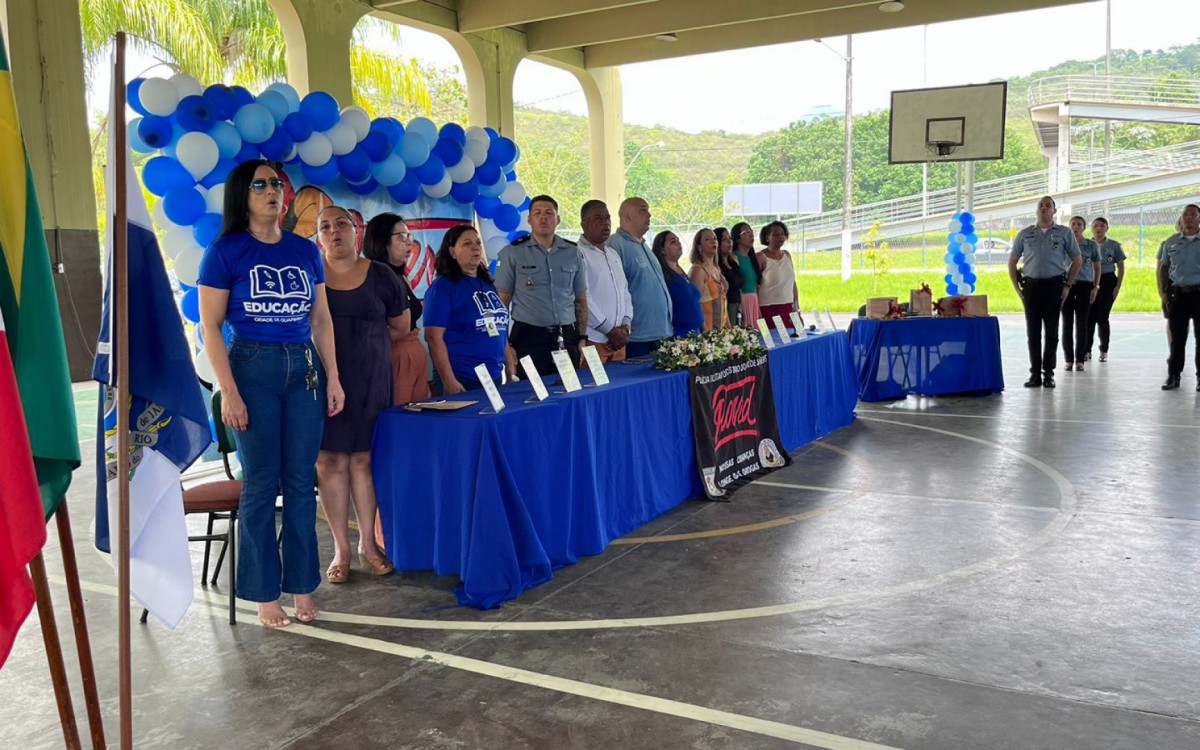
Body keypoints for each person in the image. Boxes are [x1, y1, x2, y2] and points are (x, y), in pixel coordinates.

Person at [197, 160, 344, 628]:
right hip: (251, 367)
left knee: (301, 482)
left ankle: (302, 584)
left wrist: (334, 377)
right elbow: (210, 327)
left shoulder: (305, 250)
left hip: (303, 369)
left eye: (276, 184)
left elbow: (321, 318)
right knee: (261, 483)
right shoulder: (225, 251)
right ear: (242, 195)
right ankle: (263, 594)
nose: (271, 191)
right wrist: (229, 392)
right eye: (259, 185)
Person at [313, 206, 406, 584]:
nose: (334, 231)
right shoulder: (310, 273)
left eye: (341, 224)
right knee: (329, 462)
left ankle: (369, 544)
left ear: (357, 231)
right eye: (325, 227)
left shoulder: (381, 274)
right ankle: (342, 549)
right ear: (318, 237)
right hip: (322, 381)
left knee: (364, 461)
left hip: (371, 380)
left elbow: (400, 327)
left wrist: (366, 348)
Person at [494, 195, 588, 376]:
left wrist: (582, 337)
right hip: (528, 337)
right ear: (529, 219)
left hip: (566, 335)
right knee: (530, 389)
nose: (543, 217)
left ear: (558, 219)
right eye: (537, 213)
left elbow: (581, 299)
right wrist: (505, 345)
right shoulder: (512, 253)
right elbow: (501, 304)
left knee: (569, 388)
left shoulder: (573, 252)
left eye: (549, 213)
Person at [1007, 196, 1082, 389]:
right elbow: (1012, 261)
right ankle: (1034, 374)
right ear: (1036, 210)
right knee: (1033, 332)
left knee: (1051, 332)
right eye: (1041, 205)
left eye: (1048, 206)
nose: (1044, 208)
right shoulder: (1025, 234)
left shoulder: (1064, 233)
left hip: (1054, 286)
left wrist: (1067, 285)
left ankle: (1048, 373)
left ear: (1054, 211)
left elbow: (1077, 260)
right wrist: (1017, 288)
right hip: (1031, 287)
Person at [425, 225, 510, 393]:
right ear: (452, 252)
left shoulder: (487, 283)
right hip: (461, 378)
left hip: (493, 377)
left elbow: (499, 326)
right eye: (467, 243)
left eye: (478, 243)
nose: (475, 247)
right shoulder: (443, 287)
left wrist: (509, 367)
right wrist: (449, 380)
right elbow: (433, 337)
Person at [362, 212, 431, 404]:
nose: (409, 242)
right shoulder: (372, 277)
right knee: (399, 413)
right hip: (392, 357)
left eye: (409, 236)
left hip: (414, 354)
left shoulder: (400, 275)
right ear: (382, 241)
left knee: (419, 414)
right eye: (401, 236)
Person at [609, 197, 672, 357]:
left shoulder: (643, 244)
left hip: (660, 332)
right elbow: (615, 290)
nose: (649, 215)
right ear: (627, 216)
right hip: (638, 337)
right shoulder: (616, 245)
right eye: (643, 210)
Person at [577, 200, 633, 364]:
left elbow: (624, 291)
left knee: (621, 381)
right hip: (594, 339)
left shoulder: (613, 254)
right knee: (593, 380)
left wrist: (625, 326)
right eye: (598, 218)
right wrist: (609, 330)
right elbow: (582, 297)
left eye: (607, 218)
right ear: (584, 224)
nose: (606, 223)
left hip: (619, 341)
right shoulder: (577, 253)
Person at [1157, 203, 1200, 391]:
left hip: (1199, 294)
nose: (1188, 217)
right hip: (1178, 295)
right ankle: (1173, 376)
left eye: (1193, 214)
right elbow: (1163, 269)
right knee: (1177, 339)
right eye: (1185, 214)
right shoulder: (1171, 242)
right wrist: (1163, 293)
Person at [1061, 216, 1101, 372]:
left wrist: (1096, 286)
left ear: (1084, 227)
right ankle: (1069, 359)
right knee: (1067, 323)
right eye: (1073, 224)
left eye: (1079, 225)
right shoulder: (1064, 243)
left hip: (1085, 286)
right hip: (1067, 286)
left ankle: (1080, 359)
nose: (1075, 227)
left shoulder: (1091, 245)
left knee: (1082, 323)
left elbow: (1097, 267)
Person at [1086, 217, 1126, 363]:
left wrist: (1117, 286)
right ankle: (1086, 350)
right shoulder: (1086, 245)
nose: (1098, 228)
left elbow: (1121, 267)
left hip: (1107, 281)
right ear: (1091, 228)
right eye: (1096, 225)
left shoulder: (1114, 245)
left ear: (1107, 229)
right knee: (1089, 317)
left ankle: (1104, 350)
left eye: (1102, 226)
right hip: (1090, 281)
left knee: (1102, 317)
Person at [652, 230, 704, 338]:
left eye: (678, 240)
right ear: (662, 250)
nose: (678, 243)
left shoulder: (681, 271)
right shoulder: (662, 276)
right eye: (673, 242)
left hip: (695, 332)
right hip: (678, 335)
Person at [757, 221, 798, 329]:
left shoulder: (787, 255)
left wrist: (797, 307)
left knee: (794, 336)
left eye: (782, 234)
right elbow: (755, 285)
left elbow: (793, 283)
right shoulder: (760, 257)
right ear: (767, 237)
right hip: (768, 308)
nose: (780, 237)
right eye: (775, 234)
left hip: (789, 307)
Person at [689, 228, 727, 330]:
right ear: (699, 246)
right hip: (707, 330)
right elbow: (695, 304)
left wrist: (728, 325)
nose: (713, 241)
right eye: (707, 239)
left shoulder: (717, 268)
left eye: (715, 238)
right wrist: (705, 331)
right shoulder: (698, 270)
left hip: (722, 329)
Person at [730, 221, 763, 325]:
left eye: (752, 232)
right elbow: (737, 283)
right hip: (742, 302)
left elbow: (755, 285)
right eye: (746, 233)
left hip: (753, 301)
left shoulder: (751, 258)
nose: (751, 235)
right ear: (737, 239)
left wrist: (758, 308)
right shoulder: (733, 257)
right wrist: (742, 309)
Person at [716, 227, 744, 326]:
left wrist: (742, 308)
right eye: (724, 239)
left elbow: (739, 288)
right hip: (726, 308)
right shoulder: (716, 266)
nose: (729, 242)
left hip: (738, 306)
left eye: (730, 238)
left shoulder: (734, 261)